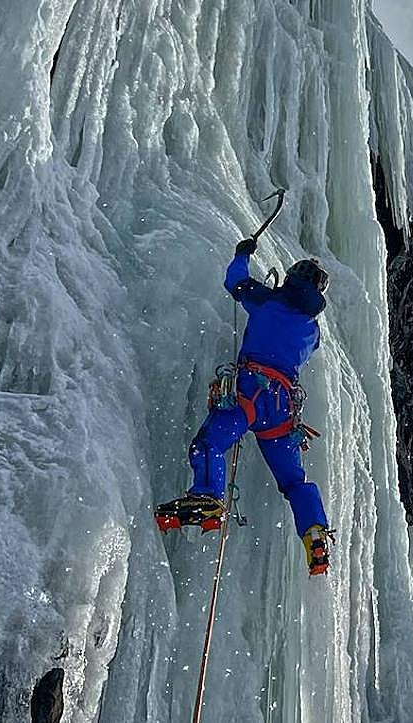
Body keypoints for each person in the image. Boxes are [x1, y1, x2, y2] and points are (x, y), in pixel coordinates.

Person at [156, 239, 332, 576]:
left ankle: (208, 497)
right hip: (282, 409)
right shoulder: (312, 331)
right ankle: (314, 532)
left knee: (209, 444)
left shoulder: (268, 300)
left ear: (292, 276)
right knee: (294, 481)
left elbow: (235, 283)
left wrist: (242, 255)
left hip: (250, 391)